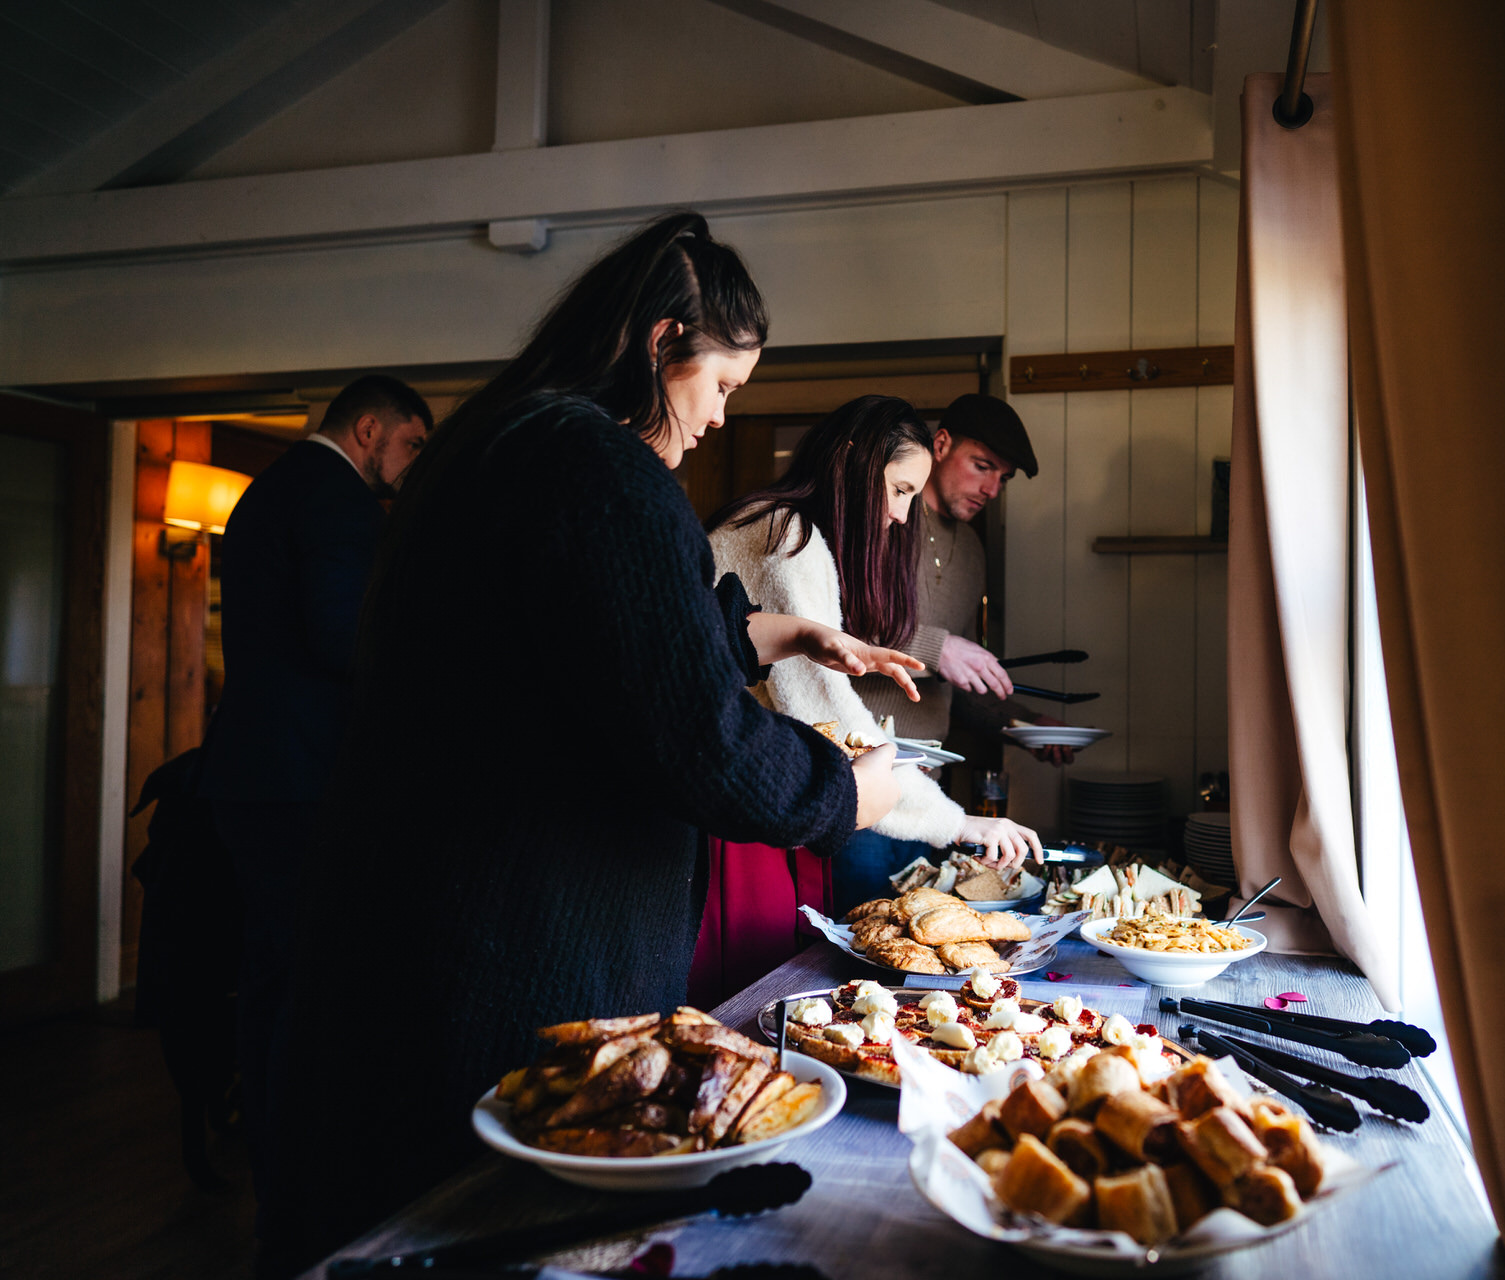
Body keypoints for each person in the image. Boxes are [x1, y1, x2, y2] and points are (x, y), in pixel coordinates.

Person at [267, 213, 916, 1276]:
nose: (717, 419)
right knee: (488, 1233)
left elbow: (589, 639)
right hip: (504, 944)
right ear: (662, 343)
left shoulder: (504, 441)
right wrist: (846, 794)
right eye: (721, 388)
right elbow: (694, 739)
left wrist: (774, 632)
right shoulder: (600, 468)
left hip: (407, 928)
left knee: (389, 1216)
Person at [196, 373, 431, 1233]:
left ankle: (275, 1159)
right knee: (307, 981)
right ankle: (302, 1176)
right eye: (409, 446)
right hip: (299, 777)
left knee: (272, 977)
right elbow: (344, 636)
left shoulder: (267, 490)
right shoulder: (334, 498)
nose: (408, 469)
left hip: (254, 770)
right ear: (369, 429)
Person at [707, 395, 1043, 911]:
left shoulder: (780, 524)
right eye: (900, 489)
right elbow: (824, 713)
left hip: (762, 796)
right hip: (745, 808)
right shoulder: (785, 535)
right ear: (853, 461)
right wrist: (958, 822)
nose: (902, 514)